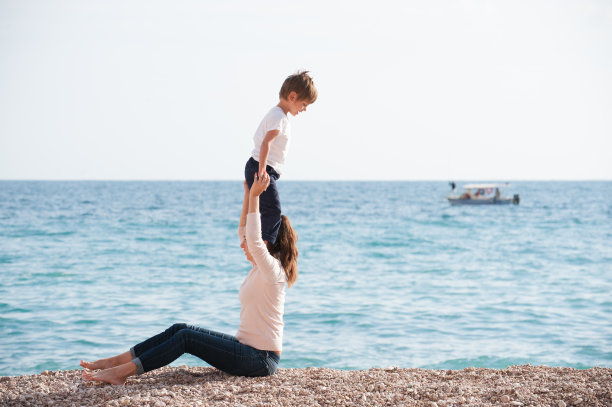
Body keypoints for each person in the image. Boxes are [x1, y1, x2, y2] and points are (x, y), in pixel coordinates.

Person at [81, 173, 298, 385]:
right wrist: (247, 193)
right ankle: (115, 361)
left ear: (267, 242)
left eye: (253, 242)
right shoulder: (260, 268)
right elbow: (245, 232)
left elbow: (252, 238)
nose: (243, 244)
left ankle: (121, 372)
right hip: (247, 350)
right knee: (180, 328)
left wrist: (255, 197)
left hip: (261, 359)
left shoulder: (272, 270)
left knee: (187, 338)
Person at [245, 71, 317, 245]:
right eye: (304, 104)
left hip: (259, 166)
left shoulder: (277, 114)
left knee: (264, 210)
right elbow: (266, 143)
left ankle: (258, 244)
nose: (304, 109)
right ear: (292, 97)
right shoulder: (279, 117)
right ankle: (265, 250)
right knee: (273, 211)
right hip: (262, 167)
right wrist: (262, 172)